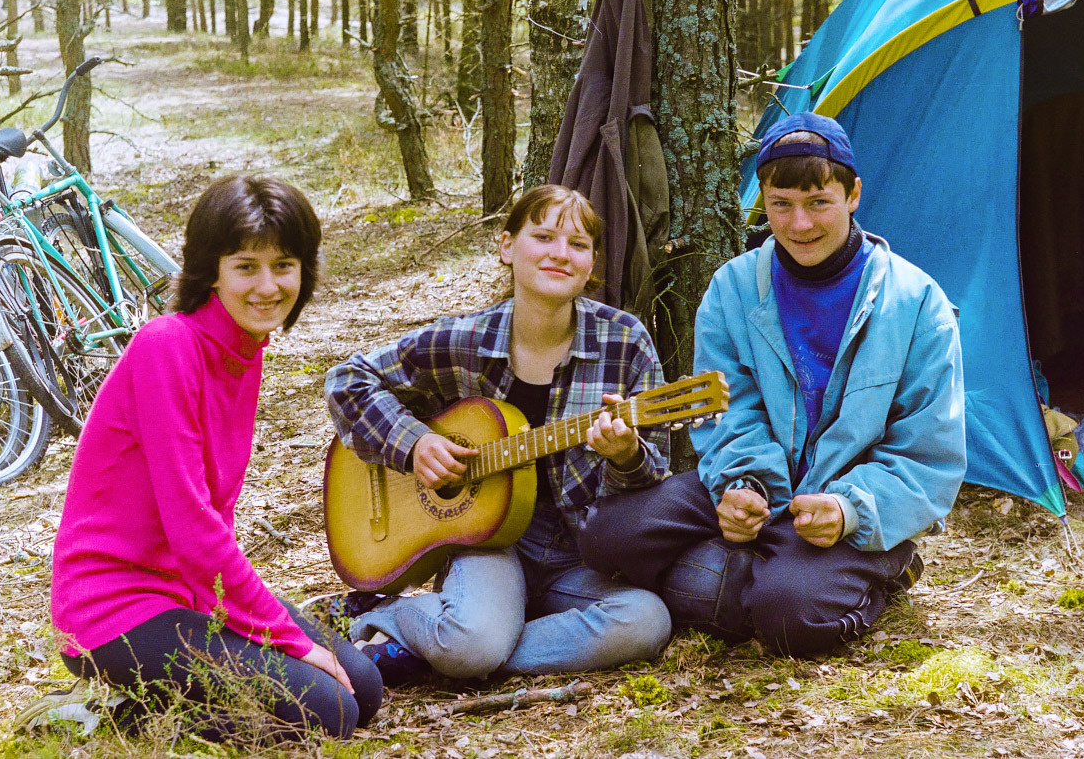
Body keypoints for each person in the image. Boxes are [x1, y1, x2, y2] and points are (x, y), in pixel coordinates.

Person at [578, 113, 966, 657]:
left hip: (845, 505)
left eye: (818, 203)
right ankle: (760, 573)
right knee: (604, 536)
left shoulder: (918, 302)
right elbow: (728, 410)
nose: (800, 224)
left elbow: (930, 455)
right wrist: (744, 486)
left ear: (853, 194)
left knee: (791, 620)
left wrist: (851, 510)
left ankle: (883, 566)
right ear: (762, 198)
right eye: (781, 204)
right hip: (765, 489)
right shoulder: (733, 289)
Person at [50, 175, 381, 740]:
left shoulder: (242, 351)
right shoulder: (168, 346)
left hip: (187, 594)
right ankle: (129, 717)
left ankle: (164, 697)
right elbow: (192, 525)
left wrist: (256, 626)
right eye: (245, 266)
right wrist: (290, 640)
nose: (268, 286)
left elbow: (212, 517)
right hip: (112, 613)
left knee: (365, 687)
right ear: (212, 271)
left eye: (284, 265)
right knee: (331, 713)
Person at [321, 185, 674, 683]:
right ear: (507, 247)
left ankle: (448, 647)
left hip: (578, 550)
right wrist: (414, 444)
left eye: (577, 244)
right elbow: (347, 380)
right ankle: (384, 617)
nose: (559, 253)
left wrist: (625, 456)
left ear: (592, 262)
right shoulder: (464, 340)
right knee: (474, 643)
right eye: (544, 236)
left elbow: (655, 471)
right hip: (485, 542)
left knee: (646, 620)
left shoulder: (625, 341)